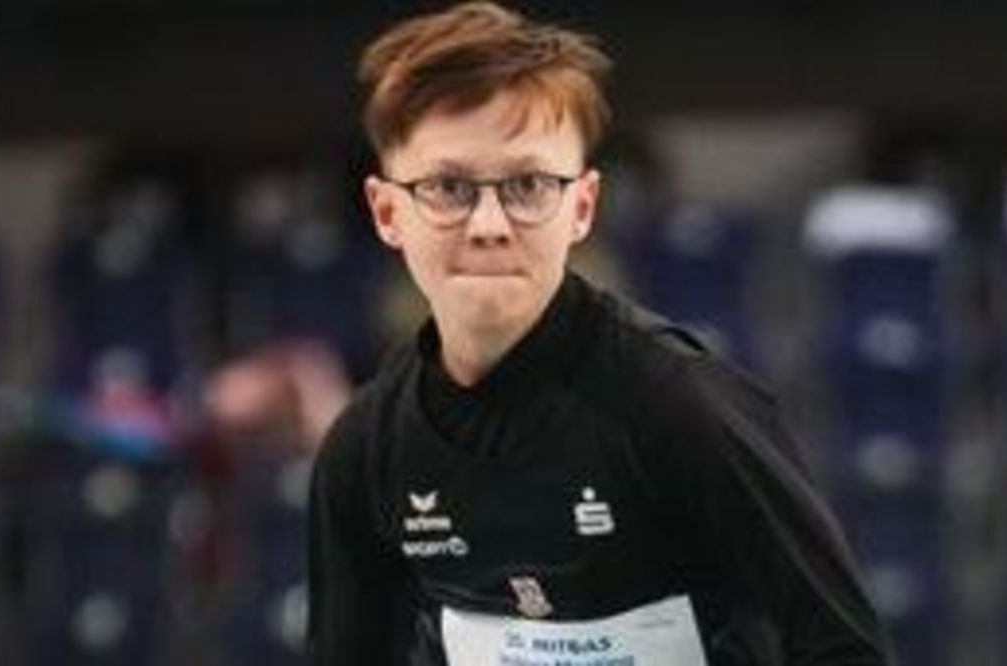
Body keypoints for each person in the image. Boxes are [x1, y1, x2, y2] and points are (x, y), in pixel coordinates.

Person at [307, 3, 890, 664]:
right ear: (387, 212)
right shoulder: (365, 450)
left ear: (581, 207)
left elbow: (845, 647)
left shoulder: (682, 405)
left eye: (528, 185)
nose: (489, 225)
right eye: (447, 187)